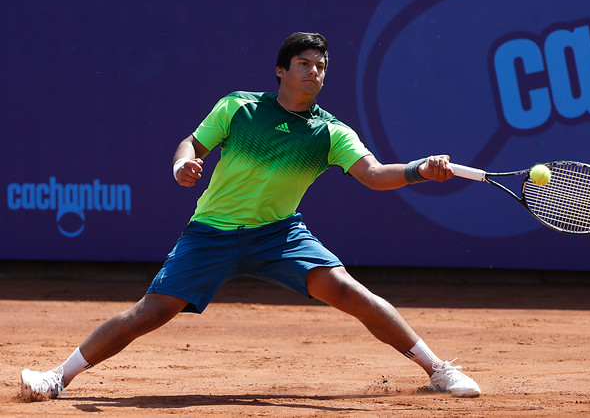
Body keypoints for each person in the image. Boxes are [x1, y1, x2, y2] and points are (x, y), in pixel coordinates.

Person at [20, 32, 481, 401]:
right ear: (282, 70)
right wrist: (183, 165)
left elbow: (376, 175)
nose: (315, 72)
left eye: (321, 66)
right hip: (210, 233)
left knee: (345, 290)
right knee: (151, 311)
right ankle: (58, 377)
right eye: (304, 64)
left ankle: (437, 369)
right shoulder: (238, 106)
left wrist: (421, 170)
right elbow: (192, 144)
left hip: (279, 235)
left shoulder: (331, 132)